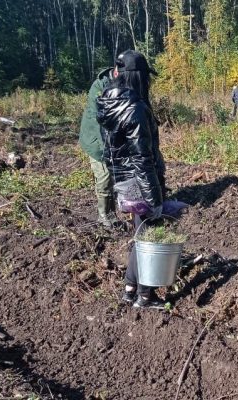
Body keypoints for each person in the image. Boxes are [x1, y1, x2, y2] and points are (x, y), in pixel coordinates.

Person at [97, 50, 167, 309]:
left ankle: (129, 288)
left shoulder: (110, 104)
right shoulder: (135, 109)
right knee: (148, 238)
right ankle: (145, 296)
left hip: (124, 182)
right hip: (140, 182)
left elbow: (109, 152)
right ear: (138, 77)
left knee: (140, 235)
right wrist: (154, 199)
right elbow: (142, 159)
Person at [78, 67, 119, 228]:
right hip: (96, 140)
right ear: (116, 73)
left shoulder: (125, 84)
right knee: (104, 175)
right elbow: (100, 122)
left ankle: (113, 210)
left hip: (111, 138)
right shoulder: (100, 87)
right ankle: (104, 215)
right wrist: (107, 151)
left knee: (116, 175)